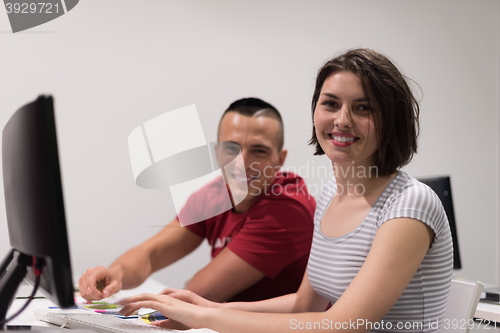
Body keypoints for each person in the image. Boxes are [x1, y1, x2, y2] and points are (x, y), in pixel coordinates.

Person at [119, 49, 454, 333]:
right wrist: (205, 307)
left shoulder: (410, 203)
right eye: (330, 104)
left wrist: (208, 316)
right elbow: (305, 302)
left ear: (391, 120)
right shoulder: (330, 197)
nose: (342, 120)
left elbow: (342, 325)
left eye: (363, 107)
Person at [79, 98, 316, 303]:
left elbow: (199, 294)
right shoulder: (213, 195)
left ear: (280, 159)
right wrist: (115, 275)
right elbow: (151, 255)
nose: (242, 163)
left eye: (259, 151)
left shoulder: (289, 209)